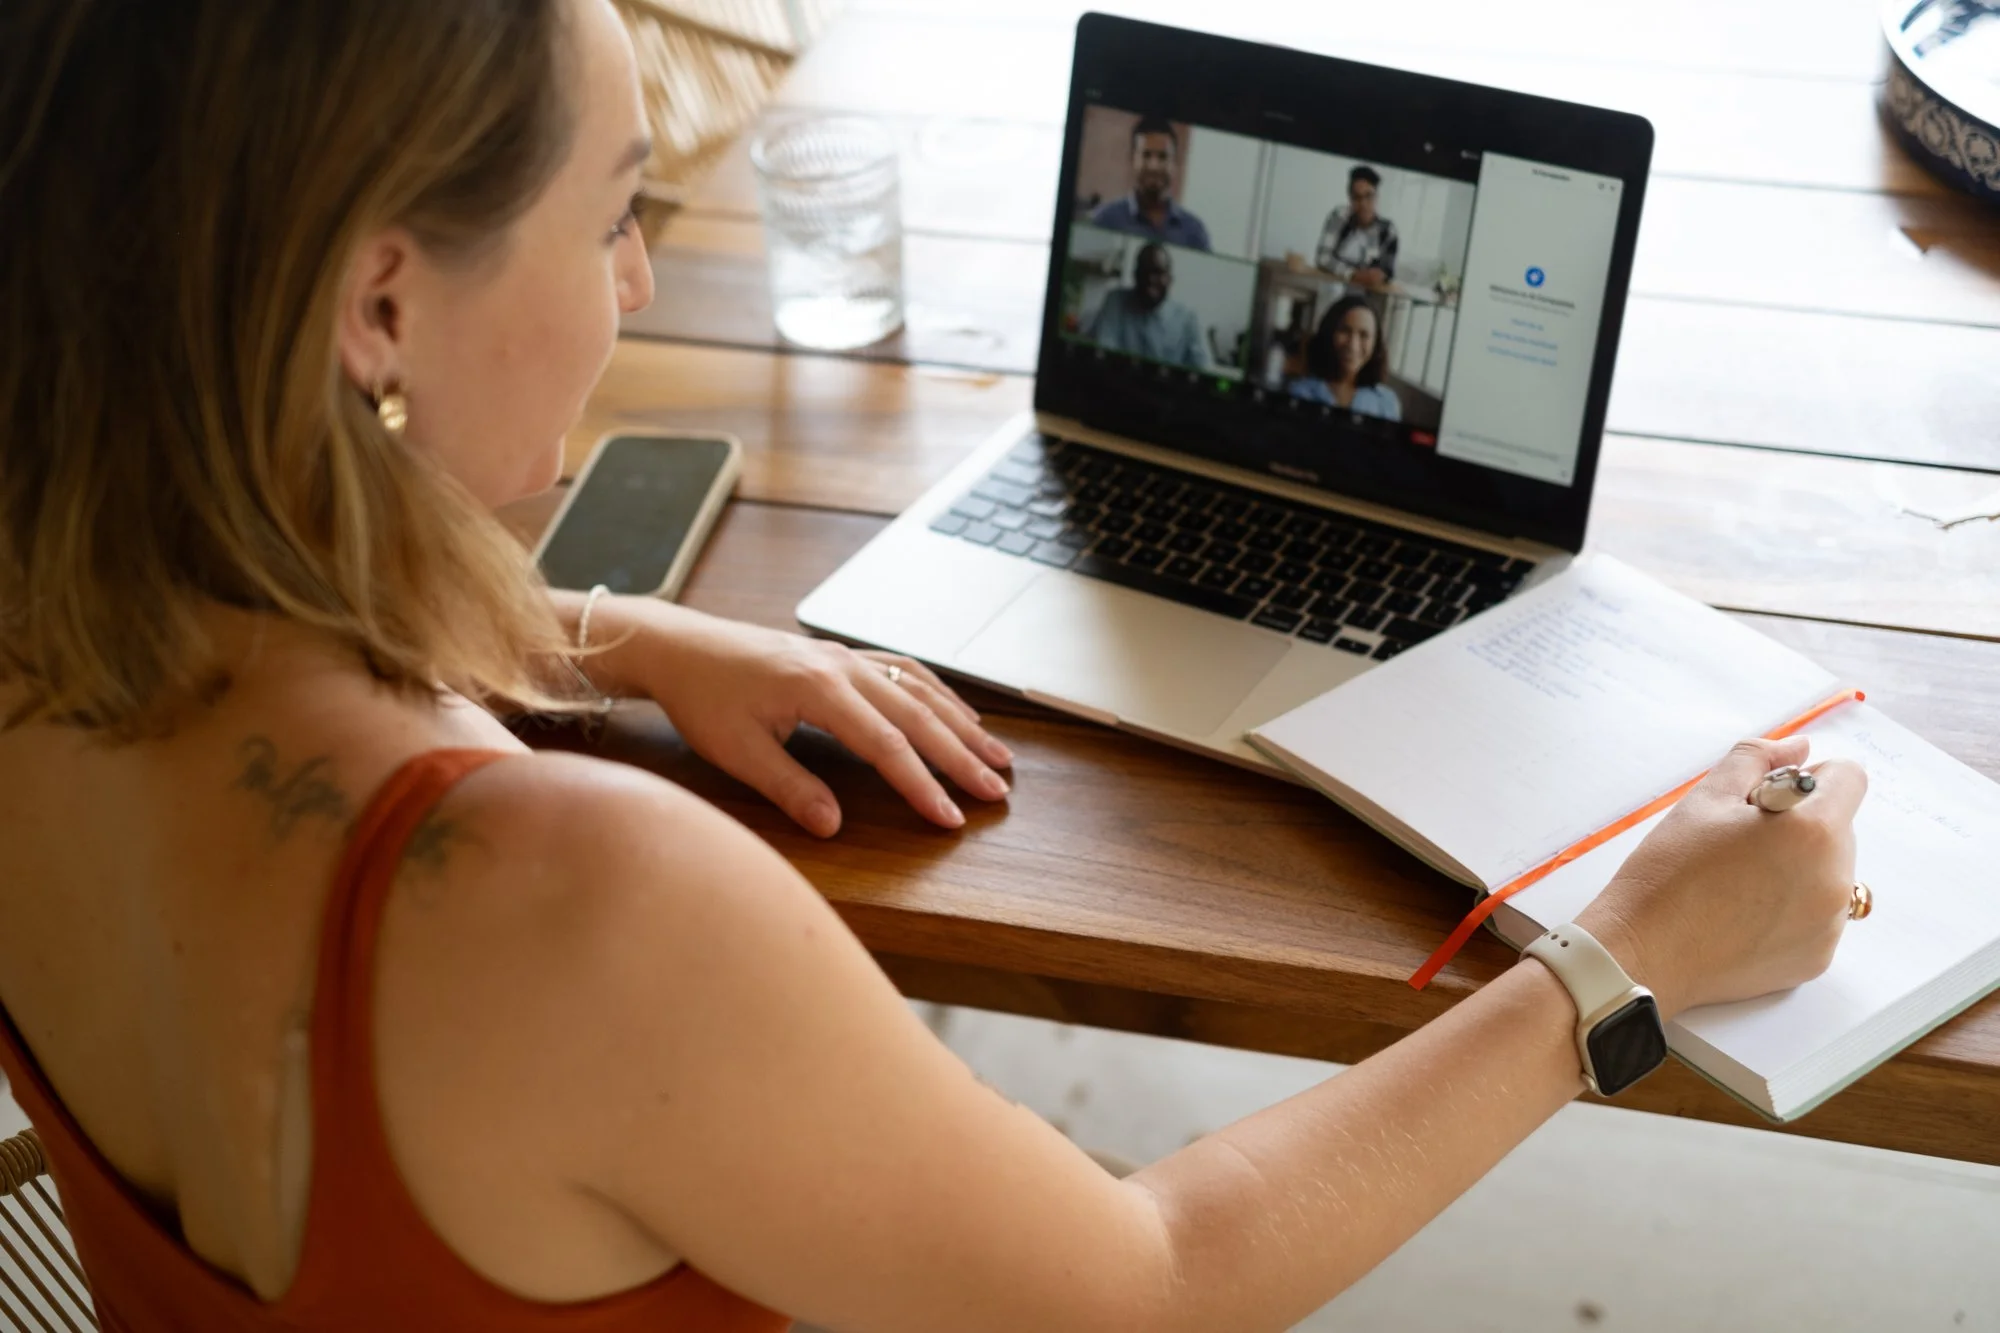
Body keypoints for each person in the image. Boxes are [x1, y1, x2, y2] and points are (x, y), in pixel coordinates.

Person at [0, 1, 1868, 1330]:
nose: (637, 280)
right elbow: (1152, 1282)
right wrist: (1617, 969)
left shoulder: (45, 600)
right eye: (609, 214)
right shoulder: (576, 908)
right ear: (383, 303)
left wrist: (617, 632)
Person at [1087, 114, 1213, 250]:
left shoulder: (1194, 231)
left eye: (1163, 157)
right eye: (1146, 155)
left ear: (1175, 163)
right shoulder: (1104, 220)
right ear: (1132, 159)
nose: (1154, 166)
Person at [1085, 242, 1213, 370]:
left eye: (1158, 272)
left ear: (1169, 279)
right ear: (1134, 275)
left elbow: (1204, 370)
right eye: (1144, 271)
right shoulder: (1115, 302)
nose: (1150, 279)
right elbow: (1102, 354)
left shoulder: (1188, 319)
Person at [1289, 294, 1402, 420]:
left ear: (1376, 343)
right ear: (1329, 334)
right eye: (1344, 331)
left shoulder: (1386, 402)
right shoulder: (1300, 391)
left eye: (1364, 335)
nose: (1353, 346)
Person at [1316, 163, 1399, 289]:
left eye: (1368, 196)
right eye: (1357, 197)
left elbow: (1387, 272)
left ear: (1377, 197)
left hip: (1369, 297)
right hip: (1333, 290)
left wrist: (1377, 276)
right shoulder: (1339, 216)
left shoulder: (1387, 230)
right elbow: (1323, 258)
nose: (1363, 204)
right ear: (1350, 198)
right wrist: (1353, 274)